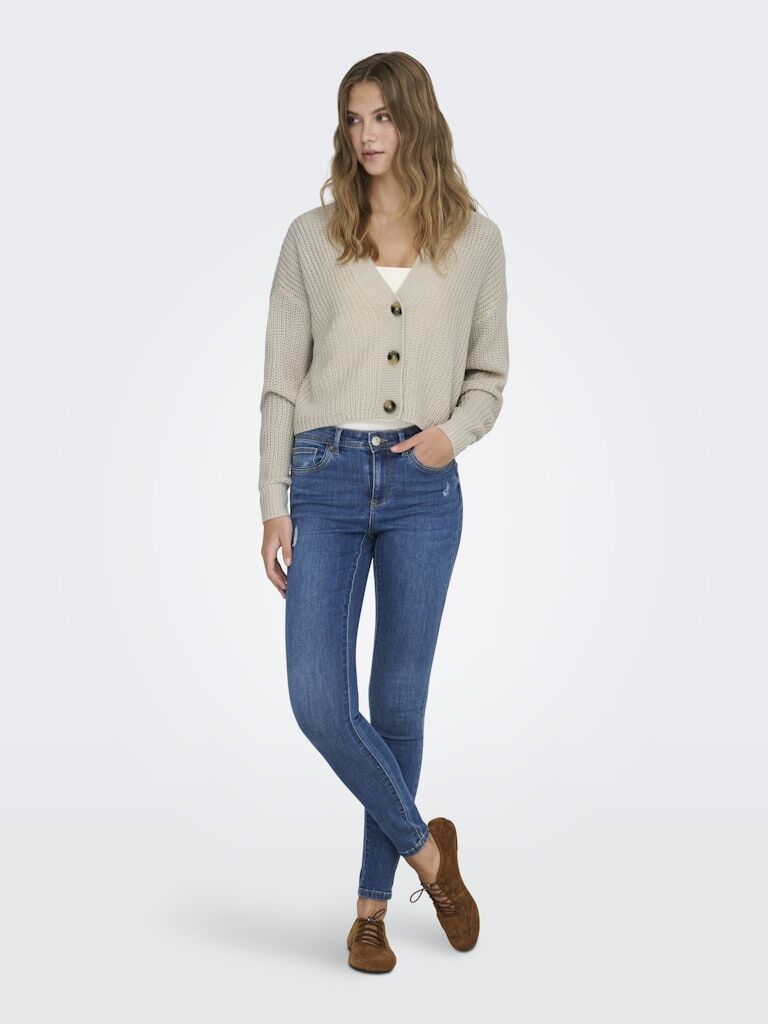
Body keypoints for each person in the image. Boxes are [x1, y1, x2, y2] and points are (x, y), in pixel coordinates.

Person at [259, 51, 509, 973]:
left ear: (416, 119)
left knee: (397, 703)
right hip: (323, 480)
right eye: (354, 118)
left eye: (383, 116)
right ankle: (430, 858)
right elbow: (280, 382)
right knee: (319, 700)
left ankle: (370, 912)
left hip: (422, 489)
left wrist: (453, 436)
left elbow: (490, 375)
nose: (367, 135)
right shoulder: (310, 238)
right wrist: (273, 502)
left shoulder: (475, 241)